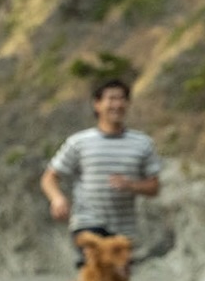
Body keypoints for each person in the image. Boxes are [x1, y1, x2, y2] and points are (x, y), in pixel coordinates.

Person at [41, 78, 162, 264]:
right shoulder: (79, 142)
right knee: (94, 274)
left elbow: (154, 187)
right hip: (88, 222)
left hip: (124, 229)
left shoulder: (142, 143)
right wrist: (57, 199)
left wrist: (130, 185)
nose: (117, 104)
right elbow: (50, 177)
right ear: (97, 104)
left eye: (122, 99)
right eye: (111, 99)